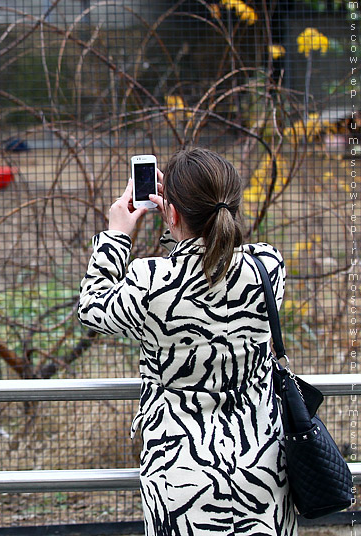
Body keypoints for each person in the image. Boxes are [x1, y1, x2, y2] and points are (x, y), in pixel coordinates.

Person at [78, 147, 296, 535]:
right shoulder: (268, 268)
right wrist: (182, 222)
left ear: (171, 213)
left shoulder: (152, 281)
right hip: (264, 468)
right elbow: (213, 262)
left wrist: (116, 235)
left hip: (181, 476)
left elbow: (93, 308)